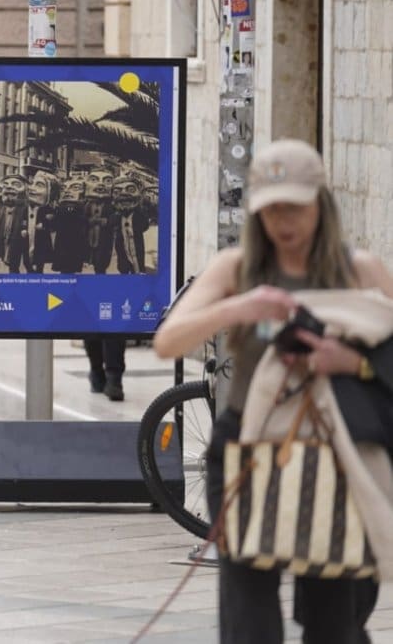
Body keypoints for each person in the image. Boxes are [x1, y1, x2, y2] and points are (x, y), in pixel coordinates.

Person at [154, 139, 393, 642]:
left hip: (333, 446)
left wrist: (348, 361)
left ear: (320, 205)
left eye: (296, 207)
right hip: (247, 446)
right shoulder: (236, 268)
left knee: (334, 612)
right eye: (271, 210)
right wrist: (242, 308)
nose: (284, 222)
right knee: (248, 605)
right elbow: (168, 340)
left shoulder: (361, 270)